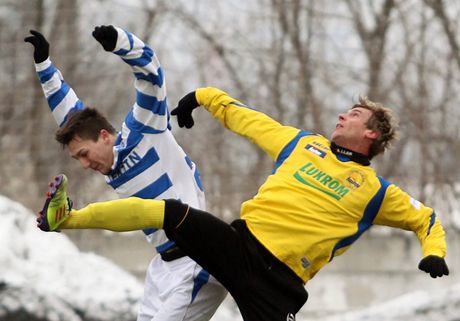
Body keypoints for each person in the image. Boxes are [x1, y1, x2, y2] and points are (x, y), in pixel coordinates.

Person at [37, 87, 449, 321]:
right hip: (239, 244)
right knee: (163, 210)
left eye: (354, 114)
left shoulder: (376, 192)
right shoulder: (303, 145)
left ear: (372, 134)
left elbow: (427, 219)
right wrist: (201, 97)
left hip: (278, 285)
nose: (342, 115)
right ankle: (67, 218)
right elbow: (247, 118)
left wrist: (434, 253)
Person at [25, 27, 227, 321]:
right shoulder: (107, 160)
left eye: (84, 154)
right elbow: (68, 112)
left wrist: (121, 42)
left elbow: (151, 73)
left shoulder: (146, 128)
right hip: (164, 267)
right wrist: (44, 65)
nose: (84, 164)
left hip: (197, 260)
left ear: (105, 135)